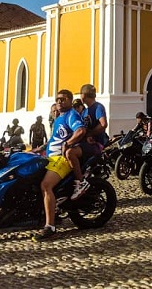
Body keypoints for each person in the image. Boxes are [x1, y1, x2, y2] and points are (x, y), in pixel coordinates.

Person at [32, 89, 86, 241]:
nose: (60, 102)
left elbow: (81, 130)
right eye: (57, 99)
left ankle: (50, 226)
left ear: (70, 100)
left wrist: (68, 143)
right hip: (50, 158)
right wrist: (39, 149)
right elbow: (54, 139)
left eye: (63, 99)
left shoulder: (71, 115)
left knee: (46, 185)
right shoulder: (59, 118)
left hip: (61, 160)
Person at [66, 84, 108, 200]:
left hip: (95, 144)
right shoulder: (85, 111)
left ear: (83, 95)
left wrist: (90, 134)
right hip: (85, 143)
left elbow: (103, 124)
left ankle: (80, 183)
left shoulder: (97, 107)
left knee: (71, 153)